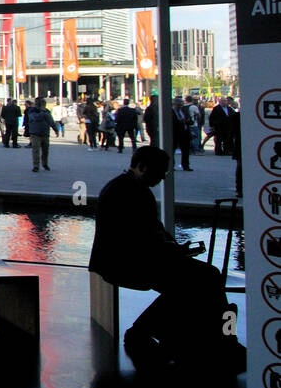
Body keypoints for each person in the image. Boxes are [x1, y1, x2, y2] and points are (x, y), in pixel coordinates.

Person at [89, 145, 242, 373]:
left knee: (199, 279)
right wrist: (175, 251)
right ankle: (216, 337)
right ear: (142, 167)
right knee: (201, 279)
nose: (162, 177)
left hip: (128, 259)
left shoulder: (126, 189)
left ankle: (201, 337)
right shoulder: (132, 193)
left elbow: (143, 237)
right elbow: (143, 239)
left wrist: (174, 250)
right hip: (129, 262)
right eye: (160, 172)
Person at [23, 96, 60, 172]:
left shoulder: (47, 111)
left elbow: (51, 121)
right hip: (35, 133)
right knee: (36, 150)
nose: (44, 104)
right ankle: (36, 165)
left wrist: (55, 129)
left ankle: (45, 164)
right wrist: (42, 113)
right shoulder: (32, 110)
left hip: (45, 133)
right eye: (43, 103)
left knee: (45, 150)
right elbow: (34, 118)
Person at [171, 96, 193, 172]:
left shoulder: (184, 110)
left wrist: (188, 121)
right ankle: (171, 166)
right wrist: (180, 121)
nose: (181, 105)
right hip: (175, 133)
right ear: (175, 103)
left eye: (182, 103)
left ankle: (185, 165)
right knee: (172, 150)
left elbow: (190, 121)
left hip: (185, 133)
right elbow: (171, 122)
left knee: (186, 150)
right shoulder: (171, 111)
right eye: (179, 103)